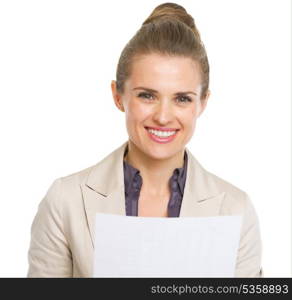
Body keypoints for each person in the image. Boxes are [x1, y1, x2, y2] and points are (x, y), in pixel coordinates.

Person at [27, 2, 263, 277]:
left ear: (202, 103)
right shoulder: (65, 201)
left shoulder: (236, 210)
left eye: (182, 98)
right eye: (147, 95)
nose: (163, 117)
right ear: (118, 96)